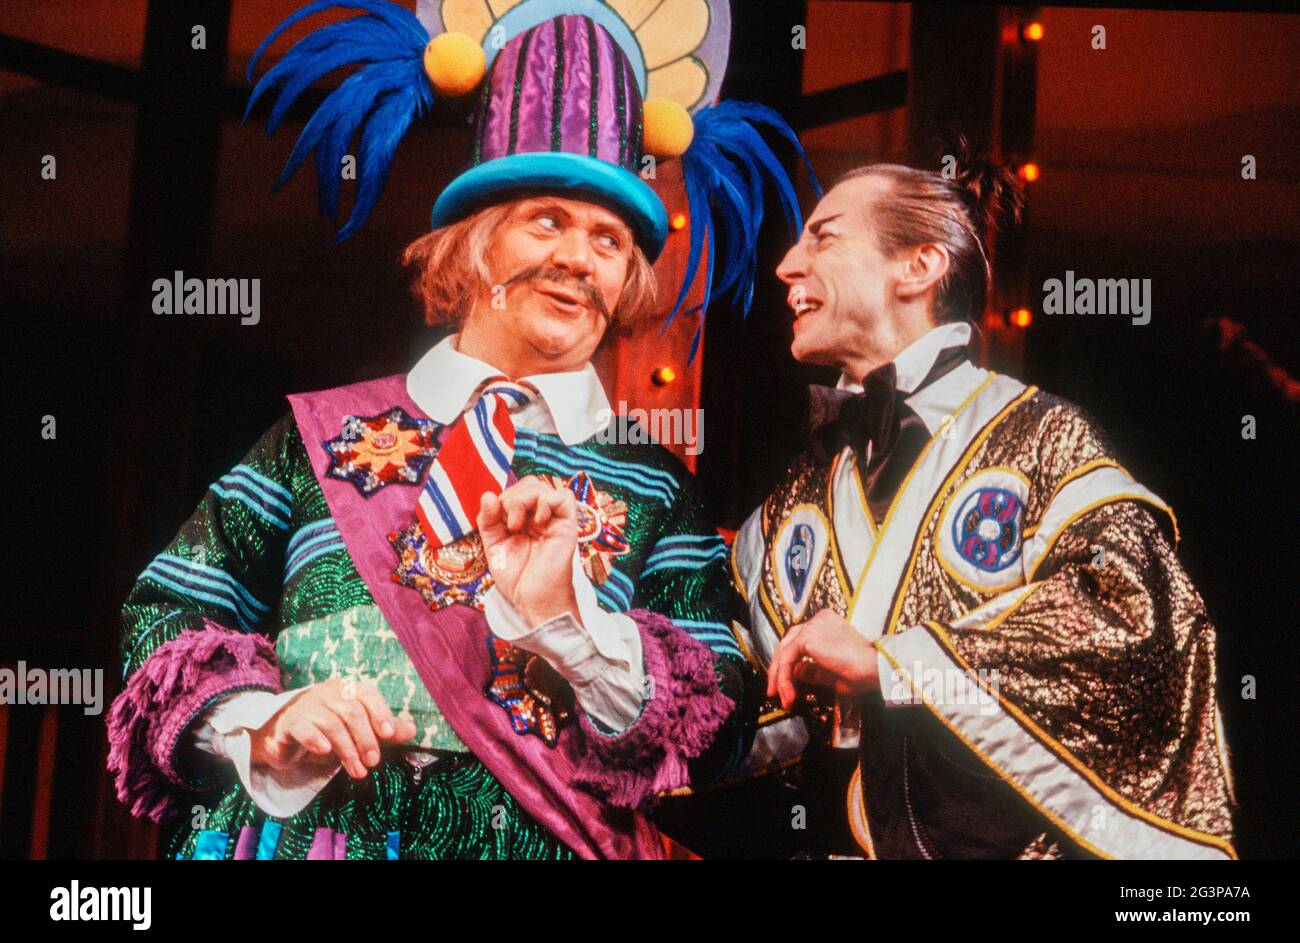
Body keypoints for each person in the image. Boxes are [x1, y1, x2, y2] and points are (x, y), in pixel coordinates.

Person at [107, 0, 810, 860]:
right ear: (475, 247)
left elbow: (723, 712)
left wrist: (573, 627)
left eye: (611, 241)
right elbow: (170, 610)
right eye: (547, 221)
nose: (581, 260)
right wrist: (263, 722)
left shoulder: (659, 484)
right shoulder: (316, 436)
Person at [727, 147, 1238, 859]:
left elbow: (1139, 632)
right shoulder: (796, 499)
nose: (786, 265)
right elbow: (732, 692)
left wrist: (895, 665)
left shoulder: (1045, 440)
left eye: (824, 236)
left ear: (919, 266)